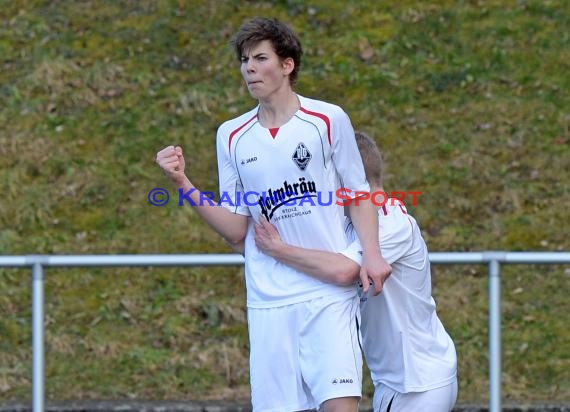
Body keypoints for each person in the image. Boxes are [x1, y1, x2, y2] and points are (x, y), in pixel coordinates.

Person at [155, 17, 392, 412]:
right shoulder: (231, 134)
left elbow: (358, 192)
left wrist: (372, 253)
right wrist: (183, 183)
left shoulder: (327, 120)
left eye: (260, 58)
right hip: (269, 300)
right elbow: (235, 230)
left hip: (326, 294)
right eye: (244, 60)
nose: (249, 67)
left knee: (339, 407)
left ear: (287, 65)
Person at [254, 131, 458, 412]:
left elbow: (344, 271)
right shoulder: (351, 225)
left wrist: (279, 249)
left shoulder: (389, 219)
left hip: (422, 382)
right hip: (390, 383)